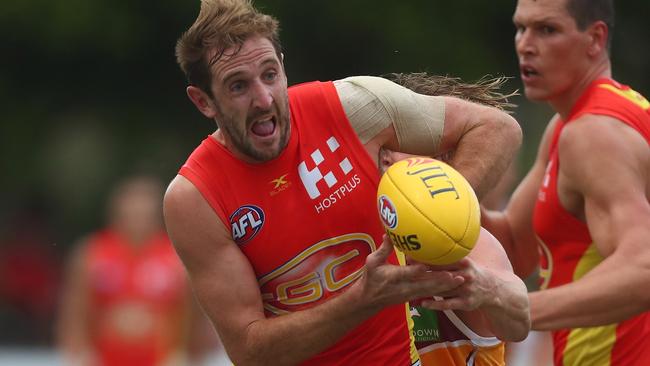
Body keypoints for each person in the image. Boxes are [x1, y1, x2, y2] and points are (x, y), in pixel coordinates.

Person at [164, 1, 529, 365]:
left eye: (270, 74)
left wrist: (442, 215)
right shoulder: (196, 198)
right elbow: (249, 351)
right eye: (238, 86)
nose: (263, 99)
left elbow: (496, 128)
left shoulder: (351, 108)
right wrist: (364, 298)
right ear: (203, 102)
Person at [481, 0, 650, 365]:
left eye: (547, 30)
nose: (525, 44)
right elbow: (514, 246)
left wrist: (519, 307)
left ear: (595, 38)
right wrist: (432, 187)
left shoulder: (593, 134)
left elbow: (644, 268)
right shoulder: (571, 124)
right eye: (520, 28)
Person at [378, 74, 526, 366]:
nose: (384, 153)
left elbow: (520, 318)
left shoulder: (465, 243)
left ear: (442, 164)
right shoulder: (359, 235)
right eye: (383, 141)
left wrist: (488, 288)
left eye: (402, 141)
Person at [56, 175, 215, 366]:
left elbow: (195, 315)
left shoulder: (177, 258)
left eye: (144, 211)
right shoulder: (92, 253)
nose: (138, 216)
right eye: (132, 210)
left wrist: (191, 357)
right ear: (116, 211)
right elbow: (74, 310)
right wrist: (77, 354)